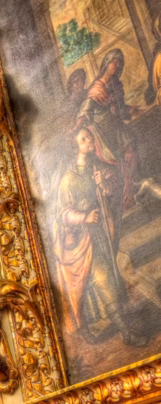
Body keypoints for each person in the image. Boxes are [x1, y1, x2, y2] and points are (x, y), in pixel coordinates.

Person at [53, 128, 132, 343]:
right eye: (83, 139)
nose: (89, 140)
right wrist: (85, 217)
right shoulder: (68, 179)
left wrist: (101, 186)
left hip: (97, 231)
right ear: (76, 146)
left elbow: (105, 197)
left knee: (109, 272)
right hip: (77, 240)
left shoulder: (93, 168)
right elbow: (64, 214)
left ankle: (122, 322)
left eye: (89, 137)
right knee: (102, 275)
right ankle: (125, 331)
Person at [76, 48, 137, 209]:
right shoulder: (96, 88)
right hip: (103, 134)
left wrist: (135, 110)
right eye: (114, 62)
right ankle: (119, 203)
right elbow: (85, 111)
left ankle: (128, 196)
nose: (117, 65)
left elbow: (122, 109)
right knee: (113, 167)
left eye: (120, 62)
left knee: (129, 157)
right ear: (106, 63)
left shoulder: (117, 85)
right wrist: (77, 126)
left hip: (117, 130)